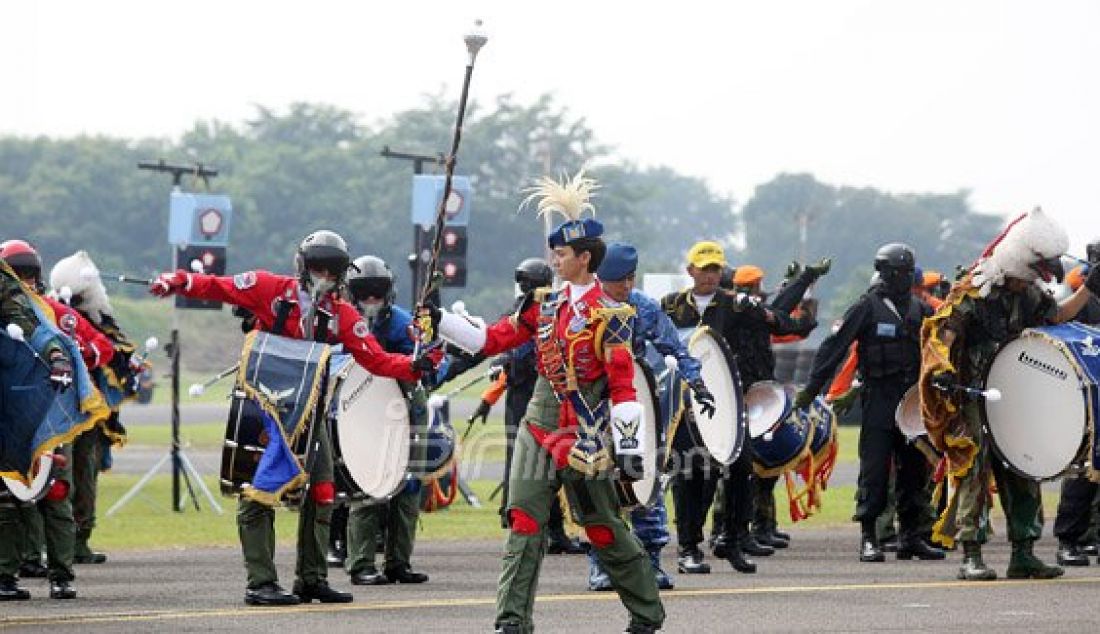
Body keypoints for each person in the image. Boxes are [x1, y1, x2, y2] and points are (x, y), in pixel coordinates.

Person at [425, 170, 664, 634]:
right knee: (524, 521)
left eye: (562, 252)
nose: (553, 258)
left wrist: (631, 451)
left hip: (587, 433)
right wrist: (439, 321)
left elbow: (623, 387)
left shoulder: (613, 316)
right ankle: (512, 621)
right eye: (554, 251)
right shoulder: (542, 303)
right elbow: (490, 339)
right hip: (538, 423)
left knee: (602, 527)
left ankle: (647, 614)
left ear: (584, 258)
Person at [148, 229, 436, 606]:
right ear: (303, 267)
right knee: (263, 488)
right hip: (267, 407)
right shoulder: (268, 288)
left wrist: (414, 364)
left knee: (323, 490)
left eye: (331, 272)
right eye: (319, 269)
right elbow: (219, 287)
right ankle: (260, 581)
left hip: (311, 410)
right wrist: (178, 281)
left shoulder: (343, 315)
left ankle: (312, 578)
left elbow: (376, 359)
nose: (324, 278)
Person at [921, 207, 1098, 580]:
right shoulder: (976, 289)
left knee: (1024, 466)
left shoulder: (1029, 294)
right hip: (972, 394)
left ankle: (1024, 553)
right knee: (974, 469)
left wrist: (1090, 287)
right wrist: (941, 372)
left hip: (1015, 393)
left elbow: (1059, 316)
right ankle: (972, 554)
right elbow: (943, 333)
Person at [795, 243, 944, 563]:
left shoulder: (921, 310)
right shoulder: (867, 306)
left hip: (911, 401)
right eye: (899, 272)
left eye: (908, 272)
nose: (904, 278)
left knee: (914, 471)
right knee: (875, 470)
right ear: (886, 273)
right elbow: (835, 346)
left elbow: (940, 348)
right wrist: (813, 389)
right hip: (878, 397)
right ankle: (869, 537)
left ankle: (911, 536)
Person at [662, 242, 799, 575]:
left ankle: (733, 539)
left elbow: (782, 324)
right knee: (692, 476)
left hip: (729, 400)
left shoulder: (736, 305)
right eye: (704, 268)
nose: (710, 275)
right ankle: (689, 547)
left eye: (715, 269)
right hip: (686, 405)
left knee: (740, 470)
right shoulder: (671, 307)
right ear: (690, 270)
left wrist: (762, 310)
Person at [586, 241, 715, 591]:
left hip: (637, 406)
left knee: (648, 482)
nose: (626, 287)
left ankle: (651, 563)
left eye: (630, 279)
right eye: (618, 281)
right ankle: (601, 566)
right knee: (602, 488)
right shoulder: (584, 307)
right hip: (594, 408)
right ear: (600, 278)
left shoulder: (643, 307)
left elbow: (674, 347)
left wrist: (699, 384)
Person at [469, 257, 586, 555]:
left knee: (557, 463)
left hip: (549, 396)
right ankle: (525, 528)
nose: (527, 289)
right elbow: (497, 347)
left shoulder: (554, 309)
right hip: (521, 399)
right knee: (522, 464)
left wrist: (504, 364)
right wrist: (489, 392)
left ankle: (555, 530)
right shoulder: (517, 312)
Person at [340, 254, 430, 585]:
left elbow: (425, 360)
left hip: (407, 408)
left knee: (410, 485)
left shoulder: (404, 324)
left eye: (377, 292)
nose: (371, 300)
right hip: (365, 412)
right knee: (370, 485)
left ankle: (399, 563)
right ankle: (361, 563)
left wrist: (427, 352)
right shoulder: (340, 323)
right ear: (353, 294)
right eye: (364, 293)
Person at [50, 249, 141, 565]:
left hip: (79, 411)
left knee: (76, 473)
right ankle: (72, 542)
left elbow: (118, 356)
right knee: (75, 474)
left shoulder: (58, 316)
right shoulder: (69, 321)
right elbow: (112, 356)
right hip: (75, 411)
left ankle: (73, 540)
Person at [732, 262, 827, 550]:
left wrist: (802, 287)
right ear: (750, 289)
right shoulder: (745, 314)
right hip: (743, 396)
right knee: (742, 465)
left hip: (762, 395)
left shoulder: (754, 311)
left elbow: (789, 319)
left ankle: (763, 526)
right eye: (759, 286)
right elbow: (785, 315)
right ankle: (735, 530)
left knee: (766, 462)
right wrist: (805, 281)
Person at [1052, 239, 1100, 567]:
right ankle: (1069, 538)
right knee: (1083, 467)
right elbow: (1054, 328)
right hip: (1082, 393)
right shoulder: (1073, 295)